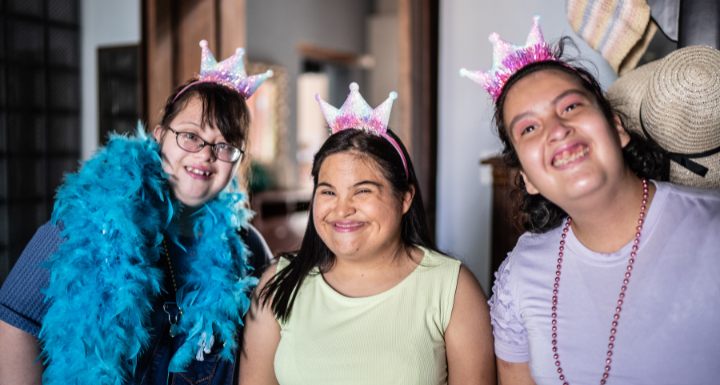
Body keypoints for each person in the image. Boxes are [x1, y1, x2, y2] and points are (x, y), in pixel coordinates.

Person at [461, 16, 720, 384]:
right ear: (527, 178)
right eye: (529, 128)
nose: (557, 130)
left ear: (616, 127)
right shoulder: (520, 275)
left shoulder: (712, 229)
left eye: (570, 107)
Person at [0, 40, 273, 385]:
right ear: (159, 137)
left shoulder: (247, 249)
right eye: (190, 136)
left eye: (225, 146)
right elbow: (15, 319)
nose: (205, 154)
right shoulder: (91, 218)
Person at [239, 83, 495, 385]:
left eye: (362, 191)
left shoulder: (452, 289)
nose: (342, 209)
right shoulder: (277, 285)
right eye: (328, 191)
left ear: (405, 198)